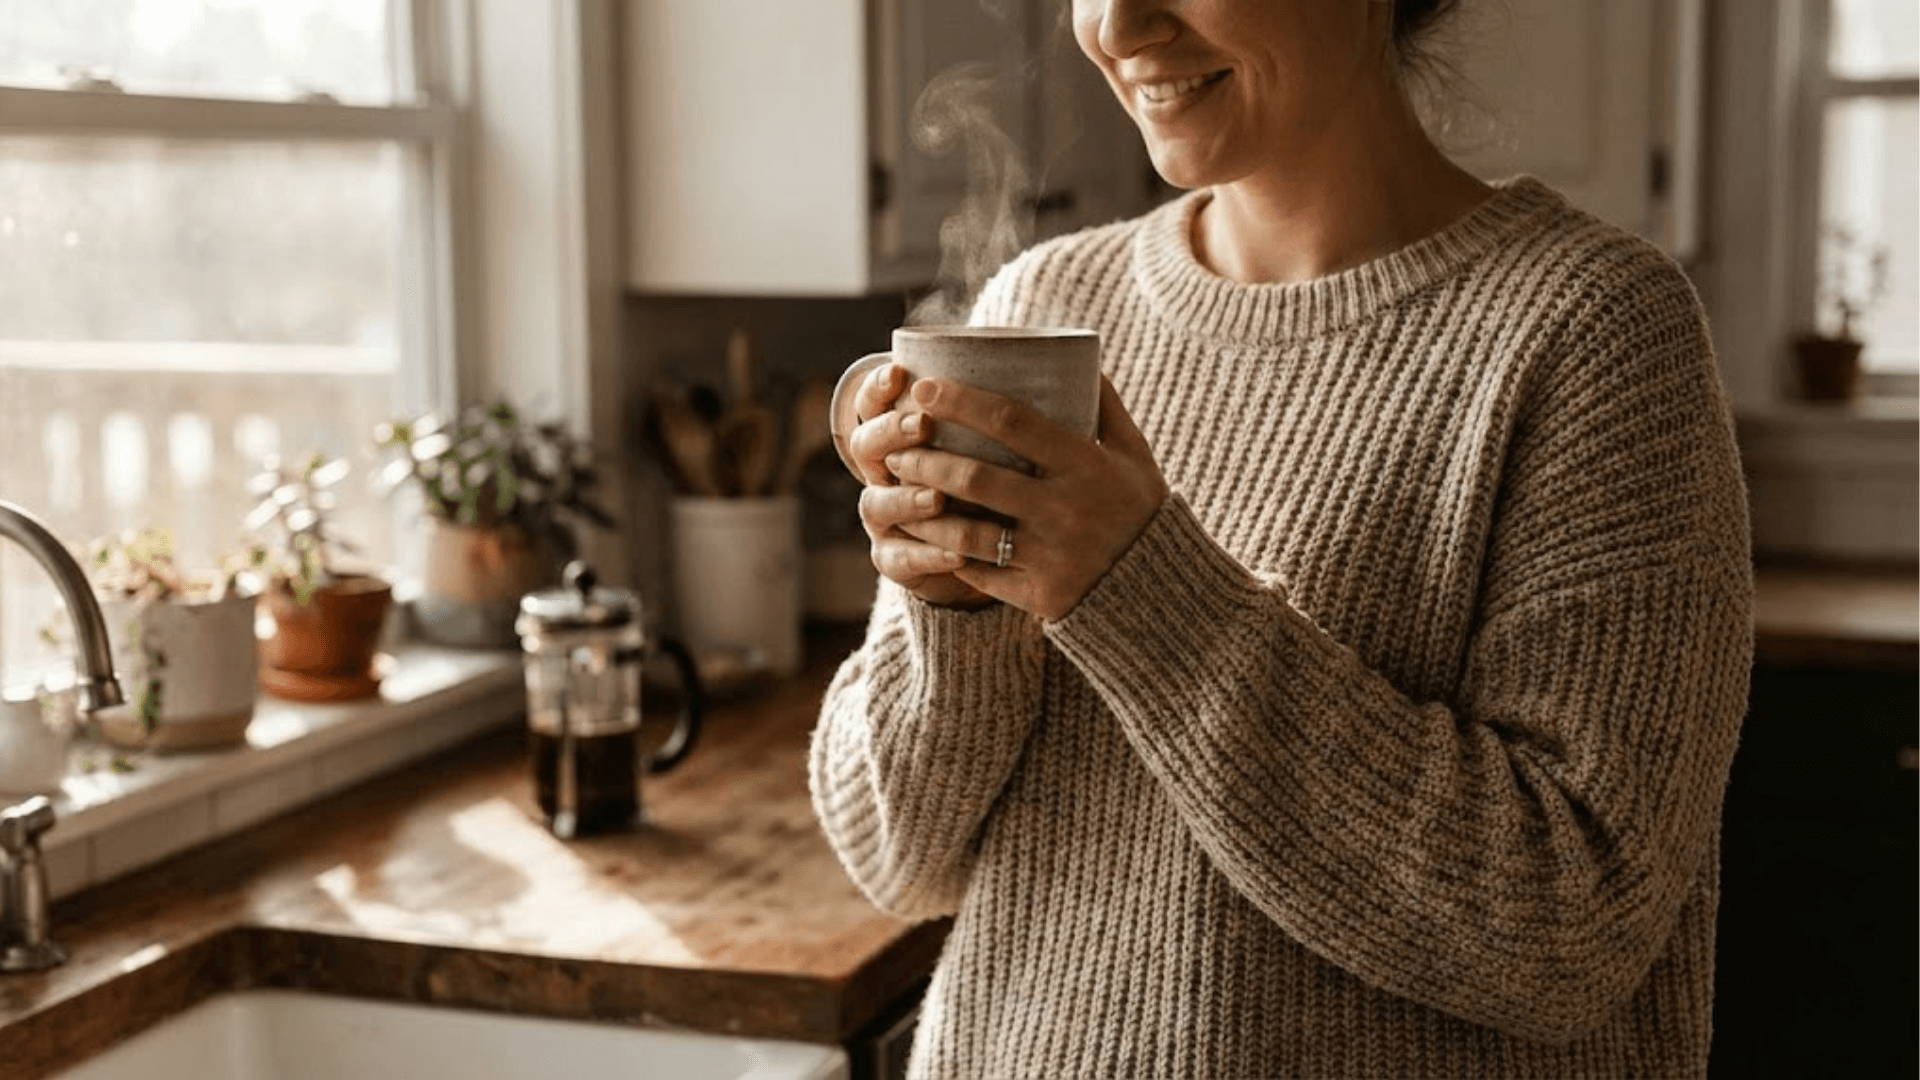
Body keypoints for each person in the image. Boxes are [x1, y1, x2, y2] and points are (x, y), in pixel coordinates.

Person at [809, 0, 1753, 1076]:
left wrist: (1135, 587)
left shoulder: (1593, 331)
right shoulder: (1048, 302)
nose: (1117, 25)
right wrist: (957, 610)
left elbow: (1568, 929)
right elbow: (898, 859)